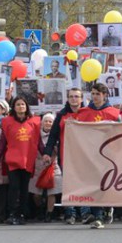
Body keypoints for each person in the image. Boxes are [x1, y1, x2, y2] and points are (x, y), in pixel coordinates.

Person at [74, 83, 121, 228]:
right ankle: (97, 216)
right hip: (90, 154)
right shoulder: (83, 113)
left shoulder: (114, 113)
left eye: (97, 94)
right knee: (93, 184)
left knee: (105, 184)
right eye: (93, 93)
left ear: (104, 95)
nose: (94, 97)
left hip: (108, 155)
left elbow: (121, 133)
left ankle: (106, 208)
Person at [0, 97, 41, 225]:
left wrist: (46, 154)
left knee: (24, 188)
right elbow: (2, 142)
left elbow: (38, 142)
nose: (21, 106)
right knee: (14, 187)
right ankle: (12, 213)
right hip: (13, 160)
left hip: (27, 159)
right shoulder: (7, 122)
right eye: (18, 104)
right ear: (14, 108)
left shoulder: (34, 122)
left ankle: (22, 213)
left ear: (26, 107)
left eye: (22, 104)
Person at [42, 87, 85, 225]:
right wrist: (47, 153)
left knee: (84, 184)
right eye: (71, 96)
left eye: (76, 96)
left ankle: (84, 213)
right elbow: (53, 136)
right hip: (66, 155)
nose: (74, 99)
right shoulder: (61, 115)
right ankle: (70, 213)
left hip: (85, 155)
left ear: (81, 99)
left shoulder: (87, 113)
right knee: (68, 185)